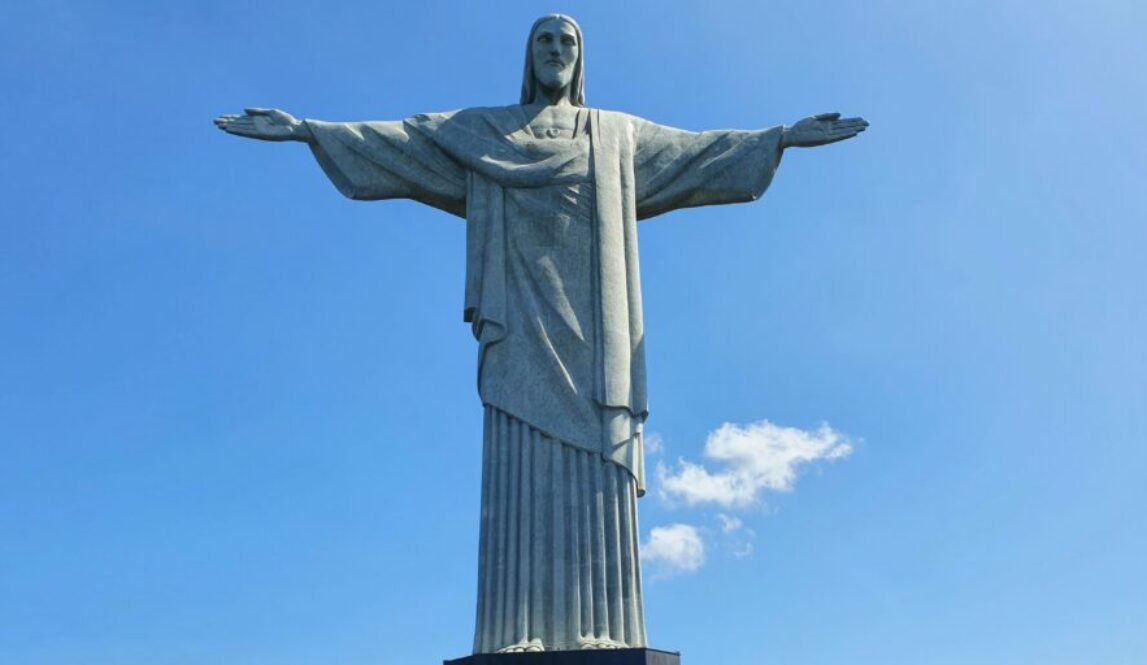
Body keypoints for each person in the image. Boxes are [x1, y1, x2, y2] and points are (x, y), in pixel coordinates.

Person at [214, 13, 867, 654]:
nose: (556, 49)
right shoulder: (484, 133)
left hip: (597, 335)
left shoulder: (615, 135)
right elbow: (405, 140)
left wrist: (780, 137)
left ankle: (607, 629)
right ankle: (511, 631)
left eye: (568, 41)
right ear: (528, 57)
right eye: (544, 40)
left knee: (593, 472)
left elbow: (697, 151)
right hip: (521, 328)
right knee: (521, 470)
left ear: (582, 59)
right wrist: (306, 131)